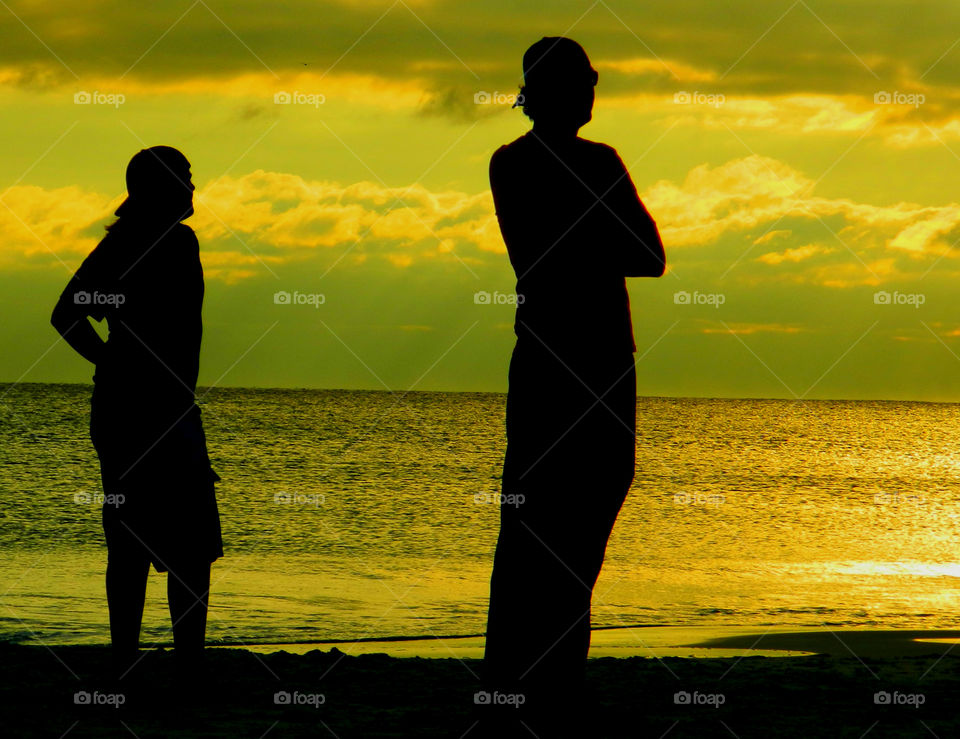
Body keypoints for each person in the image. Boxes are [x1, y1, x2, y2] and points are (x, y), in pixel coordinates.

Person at [481, 37, 665, 736]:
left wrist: (586, 232)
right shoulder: (529, 162)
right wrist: (597, 226)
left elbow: (647, 256)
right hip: (563, 358)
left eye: (592, 80)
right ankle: (518, 683)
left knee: (574, 519)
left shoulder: (591, 161)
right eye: (583, 81)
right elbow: (609, 249)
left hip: (596, 358)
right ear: (549, 90)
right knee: (540, 524)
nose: (591, 92)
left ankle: (548, 680)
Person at [51, 146, 222, 678]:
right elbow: (66, 314)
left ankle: (131, 662)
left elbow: (67, 314)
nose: (193, 187)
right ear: (162, 187)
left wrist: (109, 360)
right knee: (182, 544)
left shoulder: (126, 244)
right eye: (184, 178)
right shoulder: (160, 243)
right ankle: (179, 666)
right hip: (149, 411)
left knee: (138, 539)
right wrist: (110, 360)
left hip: (143, 408)